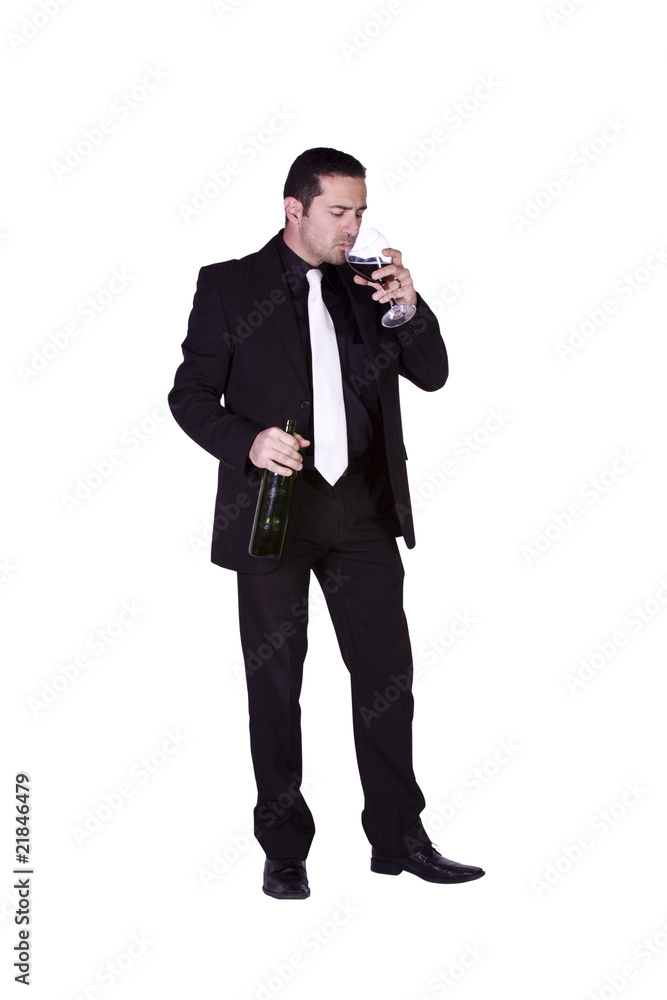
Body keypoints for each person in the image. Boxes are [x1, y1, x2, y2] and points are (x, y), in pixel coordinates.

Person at [168, 147, 484, 899]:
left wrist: (409, 307)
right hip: (274, 510)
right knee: (276, 683)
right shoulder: (228, 285)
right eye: (339, 211)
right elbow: (189, 395)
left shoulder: (367, 282)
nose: (354, 225)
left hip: (364, 509)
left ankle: (398, 839)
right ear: (294, 209)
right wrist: (247, 440)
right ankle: (284, 848)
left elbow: (433, 374)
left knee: (387, 678)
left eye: (361, 211)